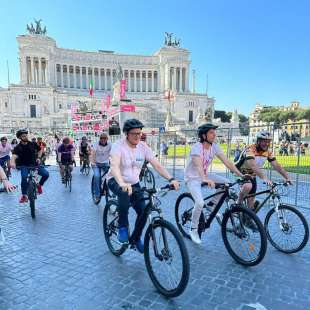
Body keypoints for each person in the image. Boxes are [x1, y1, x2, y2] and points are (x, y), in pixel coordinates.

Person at [107, 119, 179, 253]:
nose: (137, 136)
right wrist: (122, 183)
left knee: (144, 210)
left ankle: (135, 238)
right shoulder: (118, 146)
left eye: (139, 133)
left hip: (134, 183)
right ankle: (122, 226)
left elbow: (157, 165)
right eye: (134, 133)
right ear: (126, 134)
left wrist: (171, 178)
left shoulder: (143, 147)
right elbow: (115, 166)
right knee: (123, 193)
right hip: (116, 180)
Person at [184, 123, 246, 244]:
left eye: (214, 132)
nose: (214, 135)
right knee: (200, 202)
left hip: (205, 176)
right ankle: (193, 229)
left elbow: (228, 162)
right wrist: (204, 178)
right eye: (211, 132)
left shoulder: (215, 147)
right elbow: (198, 165)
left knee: (227, 184)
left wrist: (241, 175)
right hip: (193, 178)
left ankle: (212, 206)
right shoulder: (196, 147)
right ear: (204, 135)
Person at [236, 130, 292, 210]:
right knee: (248, 186)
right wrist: (264, 178)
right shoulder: (250, 149)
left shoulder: (268, 152)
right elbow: (253, 165)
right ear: (258, 141)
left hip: (252, 175)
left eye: (268, 142)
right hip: (238, 171)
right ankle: (237, 204)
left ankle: (247, 217)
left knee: (250, 204)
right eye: (264, 141)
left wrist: (287, 177)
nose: (266, 144)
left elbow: (276, 165)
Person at [11, 129, 49, 203]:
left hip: (34, 165)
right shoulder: (18, 147)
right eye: (23, 136)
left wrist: (38, 157)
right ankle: (24, 195)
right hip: (24, 166)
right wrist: (12, 163)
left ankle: (39, 185)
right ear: (19, 137)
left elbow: (40, 150)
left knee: (46, 174)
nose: (25, 137)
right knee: (24, 177)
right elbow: (14, 156)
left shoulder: (33, 144)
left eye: (26, 135)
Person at [90, 133, 112, 202]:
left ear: (107, 139)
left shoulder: (110, 145)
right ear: (100, 139)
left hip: (105, 163)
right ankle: (97, 195)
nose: (103, 140)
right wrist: (93, 162)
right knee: (97, 176)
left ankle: (106, 188)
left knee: (112, 175)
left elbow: (114, 153)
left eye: (104, 138)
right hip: (96, 163)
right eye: (101, 138)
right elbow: (93, 153)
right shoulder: (96, 144)